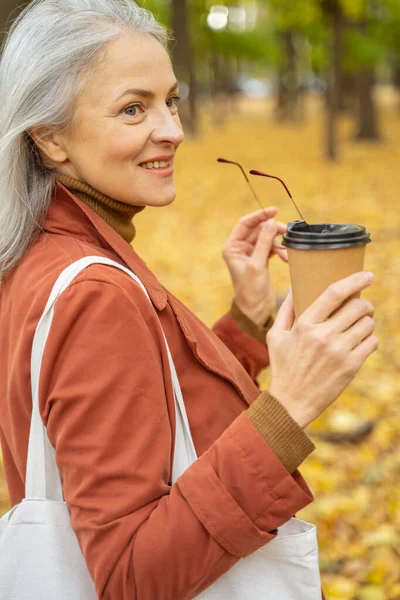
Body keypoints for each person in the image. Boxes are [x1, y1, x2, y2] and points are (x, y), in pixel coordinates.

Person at [0, 1, 378, 598]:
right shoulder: (95, 291)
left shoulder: (40, 250)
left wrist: (247, 322)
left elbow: (144, 411)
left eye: (170, 101)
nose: (173, 130)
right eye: (133, 108)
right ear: (50, 138)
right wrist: (290, 407)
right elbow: (130, 576)